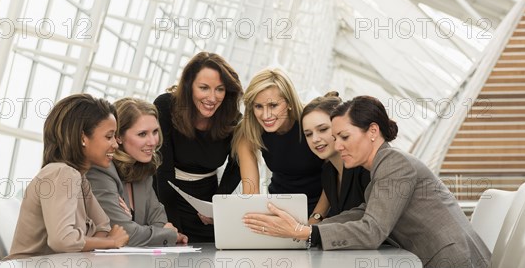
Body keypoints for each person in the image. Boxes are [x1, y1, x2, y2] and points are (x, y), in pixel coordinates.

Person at [244, 95, 491, 268]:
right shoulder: (381, 168)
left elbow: (372, 230)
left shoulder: (395, 164)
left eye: (343, 137)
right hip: (436, 267)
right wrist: (299, 227)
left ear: (372, 132)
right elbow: (361, 213)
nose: (337, 146)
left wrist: (305, 232)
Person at [7, 94, 129, 260]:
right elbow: (62, 241)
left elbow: (103, 225)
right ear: (82, 138)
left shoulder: (79, 178)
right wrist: (111, 242)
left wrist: (98, 239)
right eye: (109, 136)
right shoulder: (62, 173)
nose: (115, 144)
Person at [154, 52, 243, 242]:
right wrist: (171, 225)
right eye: (204, 88)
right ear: (189, 86)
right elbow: (163, 171)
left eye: (220, 89)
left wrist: (217, 204)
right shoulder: (166, 106)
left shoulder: (233, 119)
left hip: (206, 204)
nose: (212, 97)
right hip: (164, 197)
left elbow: (236, 168)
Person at [87, 98, 188, 247]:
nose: (153, 141)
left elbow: (159, 221)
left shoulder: (143, 169)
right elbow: (126, 233)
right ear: (118, 136)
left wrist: (139, 228)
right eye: (142, 134)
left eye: (155, 132)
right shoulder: (101, 171)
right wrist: (168, 234)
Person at [232, 68, 325, 215]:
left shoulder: (311, 122)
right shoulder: (250, 131)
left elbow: (334, 178)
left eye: (273, 105)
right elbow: (251, 193)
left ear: (289, 102)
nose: (266, 115)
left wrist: (315, 219)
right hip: (278, 207)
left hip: (319, 208)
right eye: (258, 106)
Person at [301, 92, 370, 220]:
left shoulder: (364, 168)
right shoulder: (328, 173)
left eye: (323, 129)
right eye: (308, 134)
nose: (315, 139)